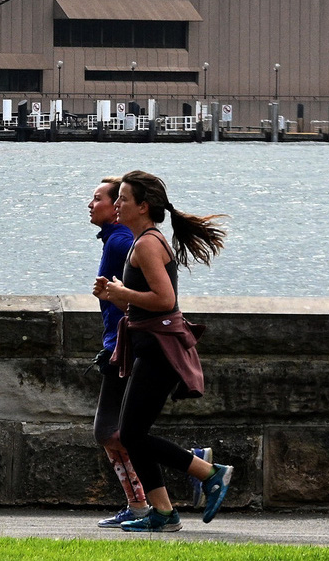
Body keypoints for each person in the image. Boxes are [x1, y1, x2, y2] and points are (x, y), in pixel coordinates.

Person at [92, 170, 235, 532]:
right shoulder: (145, 240)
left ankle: (209, 472)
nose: (118, 205)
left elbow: (165, 300)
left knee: (132, 434)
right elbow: (150, 298)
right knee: (130, 434)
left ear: (143, 206)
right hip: (149, 347)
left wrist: (122, 294)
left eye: (123, 199)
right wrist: (118, 292)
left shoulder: (147, 244)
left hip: (160, 350)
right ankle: (163, 514)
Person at [87, 176, 147, 528]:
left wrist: (114, 294)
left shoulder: (120, 240)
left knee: (110, 431)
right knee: (115, 431)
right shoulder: (114, 239)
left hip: (121, 347)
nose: (90, 205)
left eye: (98, 199)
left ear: (116, 208)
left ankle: (194, 464)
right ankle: (137, 503)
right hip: (117, 343)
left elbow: (138, 295)